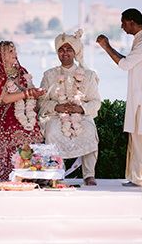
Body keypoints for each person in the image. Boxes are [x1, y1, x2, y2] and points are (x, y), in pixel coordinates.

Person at [96, 8, 142, 187]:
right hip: (141, 95)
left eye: (123, 22)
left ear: (132, 22)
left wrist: (106, 46)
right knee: (138, 137)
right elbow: (131, 62)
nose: (121, 26)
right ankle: (138, 177)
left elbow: (125, 65)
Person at [0, 41, 45, 186]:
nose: (15, 54)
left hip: (25, 113)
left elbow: (30, 90)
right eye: (10, 52)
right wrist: (28, 93)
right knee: (1, 137)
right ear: (1, 56)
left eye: (14, 50)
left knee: (34, 134)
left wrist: (36, 93)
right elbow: (5, 98)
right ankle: (2, 174)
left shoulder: (22, 71)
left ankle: (32, 174)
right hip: (2, 114)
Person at [38, 29, 101, 186]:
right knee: (52, 132)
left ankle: (89, 175)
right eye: (61, 49)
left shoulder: (89, 75)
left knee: (89, 130)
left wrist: (81, 109)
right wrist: (57, 107)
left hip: (81, 116)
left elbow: (96, 102)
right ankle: (57, 173)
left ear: (75, 52)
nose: (65, 53)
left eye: (69, 49)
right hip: (55, 115)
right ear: (57, 53)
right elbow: (41, 102)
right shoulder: (49, 75)